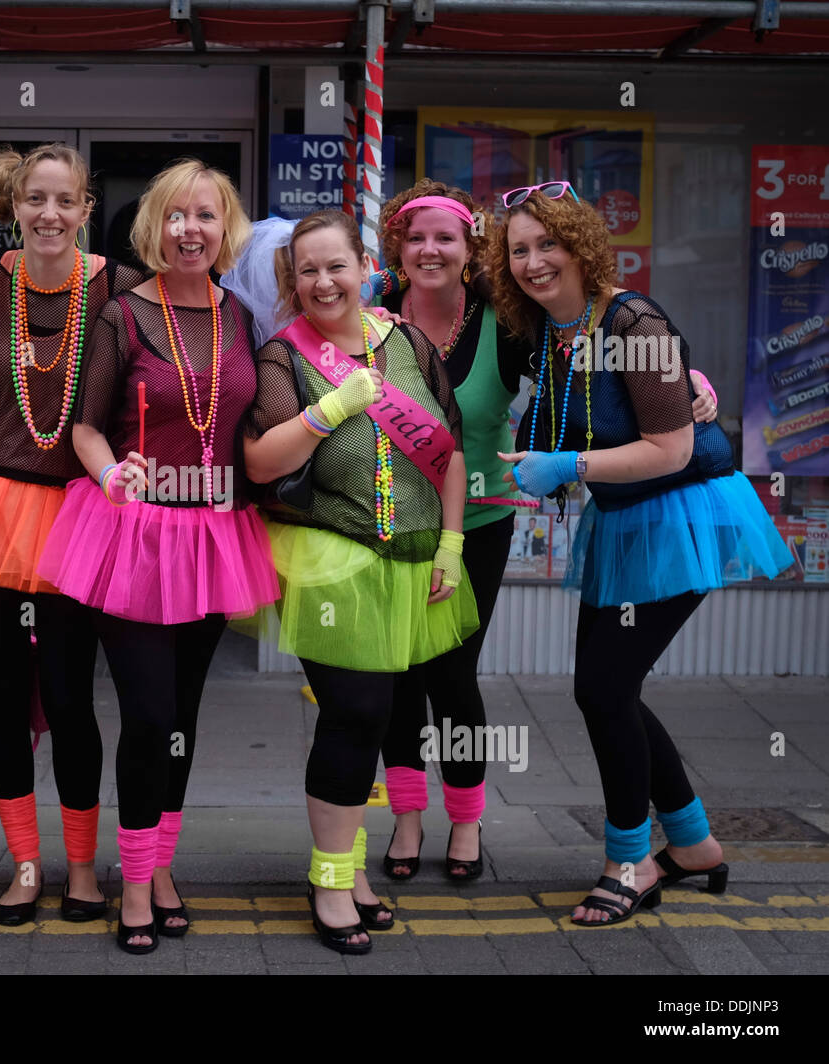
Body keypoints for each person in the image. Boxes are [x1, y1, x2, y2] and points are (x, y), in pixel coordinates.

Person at [370, 180, 723, 884]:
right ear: (398, 248)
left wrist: (685, 376)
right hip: (397, 522)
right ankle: (408, 819)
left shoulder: (506, 321)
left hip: (493, 522)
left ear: (472, 248)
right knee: (396, 678)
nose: (430, 249)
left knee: (460, 676)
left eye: (447, 236)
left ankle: (481, 824)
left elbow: (625, 380)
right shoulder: (379, 312)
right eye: (415, 237)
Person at [488, 180, 792, 925]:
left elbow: (669, 448)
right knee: (608, 690)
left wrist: (569, 467)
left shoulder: (634, 320)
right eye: (519, 249)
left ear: (581, 244)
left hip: (679, 513)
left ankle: (632, 861)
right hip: (628, 520)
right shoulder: (553, 332)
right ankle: (692, 845)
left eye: (547, 243)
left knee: (602, 690)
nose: (533, 261)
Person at [37, 158, 278, 953]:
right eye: (176, 216)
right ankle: (133, 885)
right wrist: (112, 474)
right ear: (153, 227)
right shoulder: (122, 316)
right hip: (135, 534)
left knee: (184, 715)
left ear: (226, 228)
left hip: (214, 535)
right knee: (148, 713)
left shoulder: (242, 316)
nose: (190, 231)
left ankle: (160, 865)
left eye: (206, 217)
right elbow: (85, 426)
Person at [241, 210, 479, 955]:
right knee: (355, 713)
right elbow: (260, 463)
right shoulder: (285, 354)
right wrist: (329, 409)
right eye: (306, 270)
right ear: (292, 279)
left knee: (374, 719)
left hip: (414, 559)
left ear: (365, 265)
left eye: (335, 266)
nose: (322, 281)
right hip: (332, 557)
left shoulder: (405, 341)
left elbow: (451, 452)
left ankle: (348, 871)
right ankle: (330, 880)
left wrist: (450, 546)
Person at [0, 144, 147, 925]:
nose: (49, 214)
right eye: (35, 200)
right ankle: (25, 865)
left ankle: (82, 870)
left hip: (79, 512)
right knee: (7, 700)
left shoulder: (120, 289)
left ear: (87, 209)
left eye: (65, 201)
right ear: (14, 207)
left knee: (71, 695)